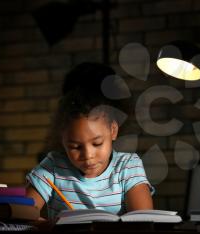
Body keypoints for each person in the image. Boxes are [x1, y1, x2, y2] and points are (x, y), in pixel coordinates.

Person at [26, 62, 154, 220]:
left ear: (113, 130)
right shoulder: (53, 166)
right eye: (75, 146)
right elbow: (23, 212)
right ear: (63, 138)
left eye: (97, 143)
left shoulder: (128, 167)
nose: (88, 155)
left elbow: (143, 221)